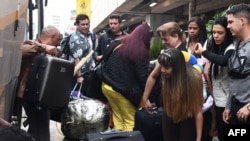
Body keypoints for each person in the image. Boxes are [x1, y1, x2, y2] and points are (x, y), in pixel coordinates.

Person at [100, 22, 153, 131]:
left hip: (107, 86)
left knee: (118, 118)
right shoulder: (140, 50)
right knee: (130, 120)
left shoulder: (121, 42)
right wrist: (147, 96)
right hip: (122, 90)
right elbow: (143, 76)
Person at [13, 25, 60, 141]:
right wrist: (45, 47)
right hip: (27, 94)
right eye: (57, 39)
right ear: (52, 36)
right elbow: (21, 50)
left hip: (39, 96)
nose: (58, 43)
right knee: (39, 128)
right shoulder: (32, 44)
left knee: (39, 127)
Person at [195, 16, 235, 141]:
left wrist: (204, 52)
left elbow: (223, 61)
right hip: (217, 99)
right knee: (221, 132)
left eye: (220, 33)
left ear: (227, 33)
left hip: (230, 100)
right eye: (214, 32)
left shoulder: (232, 48)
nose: (216, 36)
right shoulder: (214, 46)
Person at [158, 48, 203, 141]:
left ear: (176, 67)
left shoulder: (194, 79)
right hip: (170, 113)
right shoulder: (166, 77)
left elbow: (198, 111)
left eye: (166, 67)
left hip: (188, 115)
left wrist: (198, 138)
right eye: (161, 66)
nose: (162, 70)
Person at [141, 21, 187, 109]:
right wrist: (145, 98)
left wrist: (145, 98)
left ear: (176, 36)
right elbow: (153, 76)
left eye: (165, 39)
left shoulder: (181, 55)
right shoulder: (169, 52)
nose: (163, 42)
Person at [223, 3, 250, 125]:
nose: (228, 26)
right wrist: (229, 106)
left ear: (242, 21)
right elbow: (234, 78)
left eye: (230, 22)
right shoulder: (237, 45)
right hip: (235, 108)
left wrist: (249, 107)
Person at [69, 14, 95, 90]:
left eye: (87, 24)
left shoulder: (89, 35)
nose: (85, 26)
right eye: (83, 24)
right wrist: (79, 76)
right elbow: (76, 59)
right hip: (81, 74)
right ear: (77, 25)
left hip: (88, 72)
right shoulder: (76, 39)